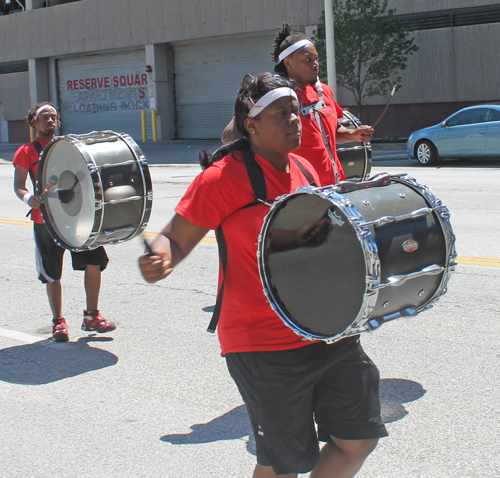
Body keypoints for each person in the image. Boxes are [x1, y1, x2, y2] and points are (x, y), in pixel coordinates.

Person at [139, 73, 387, 478]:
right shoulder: (221, 178)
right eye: (282, 113)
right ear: (251, 125)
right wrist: (158, 259)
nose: (295, 119)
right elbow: (175, 238)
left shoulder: (306, 168)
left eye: (295, 111)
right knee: (283, 464)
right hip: (263, 342)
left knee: (358, 438)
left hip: (327, 328)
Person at [222, 22, 374, 186]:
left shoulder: (323, 91)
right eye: (307, 59)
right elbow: (230, 135)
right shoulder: (272, 95)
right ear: (288, 63)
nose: (315, 64)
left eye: (316, 59)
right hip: (300, 193)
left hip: (335, 188)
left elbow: (331, 131)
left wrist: (353, 135)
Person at [13, 102, 116, 342]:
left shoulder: (69, 146)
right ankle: (58, 321)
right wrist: (30, 199)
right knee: (52, 273)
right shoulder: (27, 151)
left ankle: (91, 316)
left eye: (53, 117)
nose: (50, 121)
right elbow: (19, 185)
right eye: (45, 117)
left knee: (94, 260)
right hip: (46, 220)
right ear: (34, 123)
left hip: (76, 217)